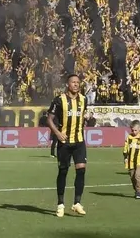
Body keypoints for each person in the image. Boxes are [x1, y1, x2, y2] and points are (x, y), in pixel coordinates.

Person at [47, 73, 89, 217]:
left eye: (78, 82)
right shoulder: (59, 100)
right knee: (63, 172)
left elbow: (82, 116)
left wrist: (87, 117)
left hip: (79, 141)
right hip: (64, 142)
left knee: (81, 170)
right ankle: (60, 204)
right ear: (68, 84)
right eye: (73, 82)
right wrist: (58, 133)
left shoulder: (84, 99)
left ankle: (77, 203)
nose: (76, 84)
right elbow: (49, 119)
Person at [123, 120, 140, 200]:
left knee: (137, 175)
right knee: (132, 177)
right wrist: (125, 157)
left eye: (135, 130)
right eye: (132, 130)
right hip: (130, 161)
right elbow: (125, 148)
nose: (134, 132)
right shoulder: (129, 138)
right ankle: (136, 190)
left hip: (139, 161)